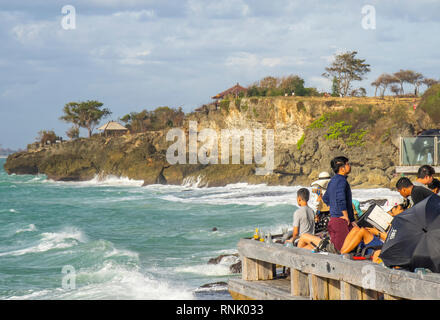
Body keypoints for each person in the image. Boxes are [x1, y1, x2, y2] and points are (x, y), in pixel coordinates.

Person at [322, 156, 355, 252]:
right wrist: (345, 216)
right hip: (341, 221)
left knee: (336, 250)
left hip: (333, 220)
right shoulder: (342, 181)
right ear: (342, 168)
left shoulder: (332, 181)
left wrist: (334, 209)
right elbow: (340, 199)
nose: (350, 166)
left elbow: (325, 198)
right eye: (348, 164)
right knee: (342, 252)